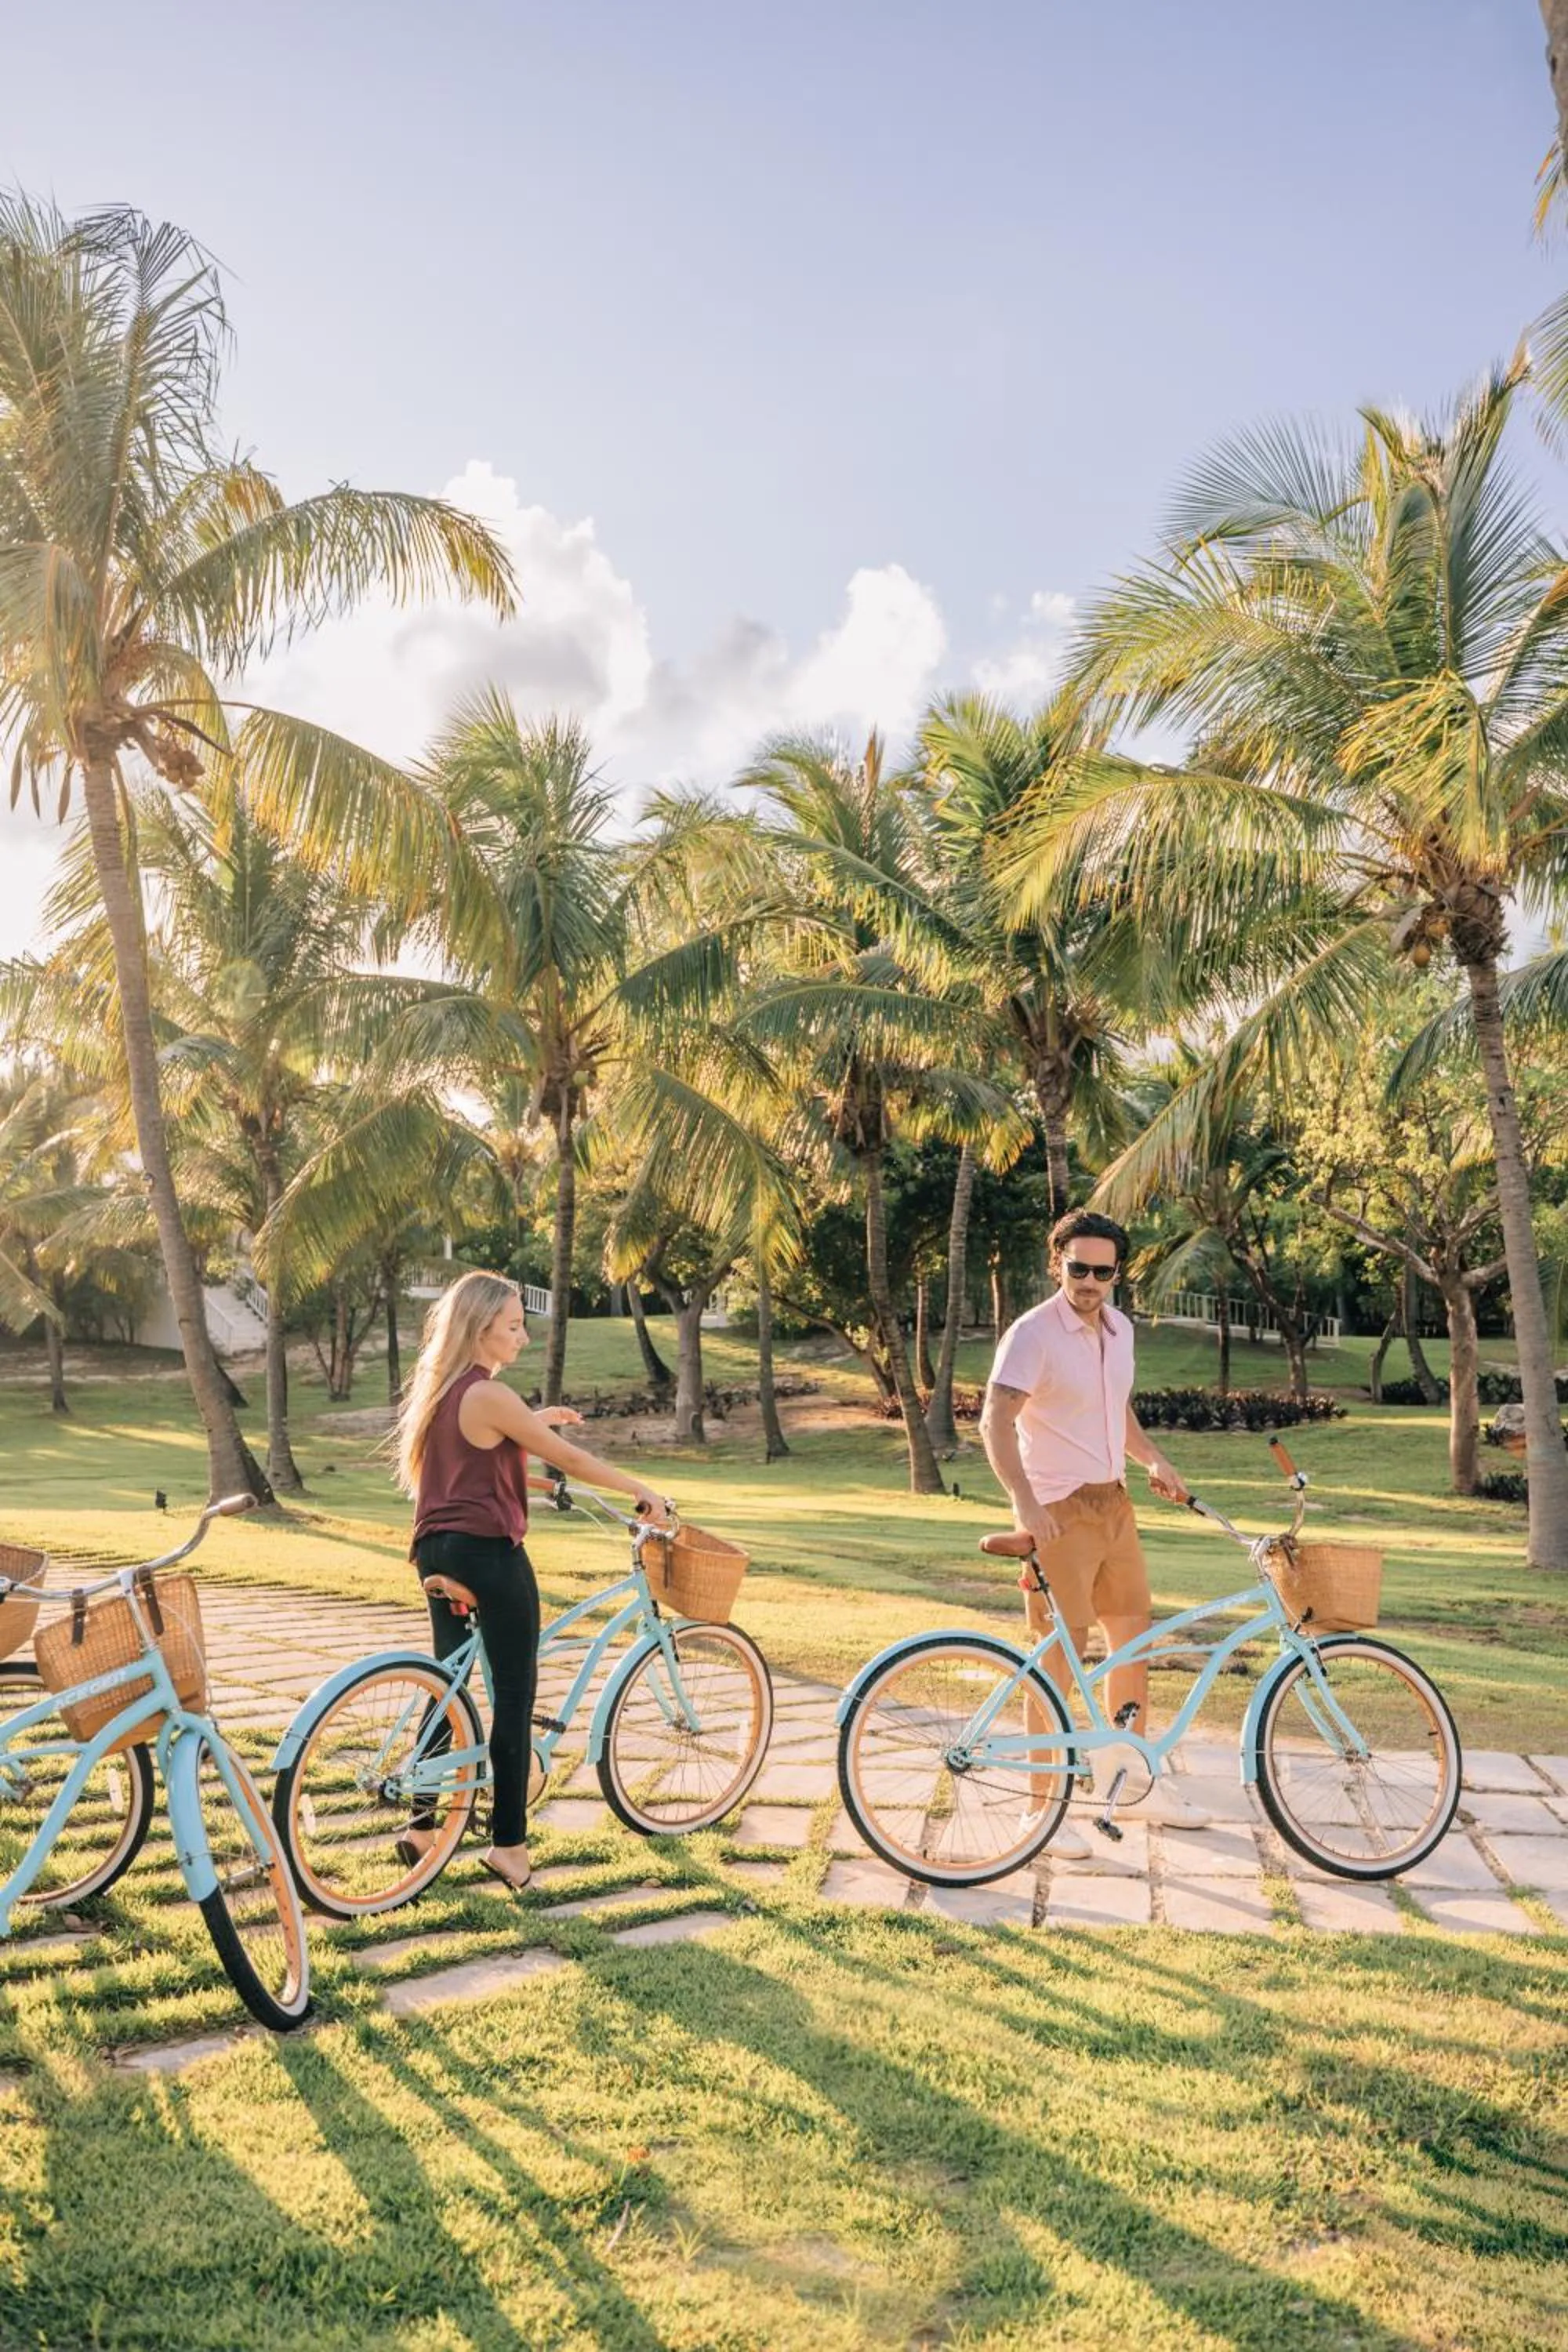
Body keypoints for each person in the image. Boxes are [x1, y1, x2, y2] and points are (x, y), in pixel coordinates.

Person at [392, 1270, 671, 1892]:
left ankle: (420, 1828)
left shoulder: (446, 1391)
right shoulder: (488, 1395)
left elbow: (478, 1458)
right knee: (514, 1697)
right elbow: (568, 1457)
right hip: (488, 1555)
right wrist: (639, 1490)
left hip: (437, 1550)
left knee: (451, 1685)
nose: (522, 1336)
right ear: (480, 1327)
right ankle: (510, 1848)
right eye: (513, 1326)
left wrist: (530, 1423)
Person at [979, 1209, 1211, 1859]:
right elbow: (994, 1424)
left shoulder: (1120, 1330)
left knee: (1133, 1643)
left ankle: (1130, 1783)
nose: (1088, 1281)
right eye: (1077, 1267)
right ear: (1057, 1263)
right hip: (1058, 1510)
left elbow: (1118, 1410)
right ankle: (1041, 1810)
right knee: (1056, 1658)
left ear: (1117, 1274)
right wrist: (1024, 1504)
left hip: (1115, 1506)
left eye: (1101, 1271)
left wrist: (1153, 1459)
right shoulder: (1032, 1335)